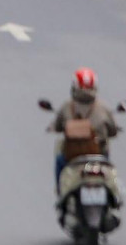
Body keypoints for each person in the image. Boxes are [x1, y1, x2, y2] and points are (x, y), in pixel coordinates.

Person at [47, 67, 121, 198]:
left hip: (72, 157)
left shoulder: (67, 107)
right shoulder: (103, 108)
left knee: (59, 160)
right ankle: (115, 197)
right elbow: (113, 131)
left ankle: (60, 192)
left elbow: (57, 126)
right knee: (109, 168)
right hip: (99, 156)